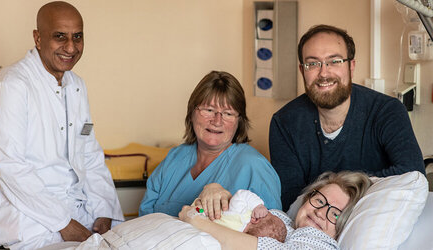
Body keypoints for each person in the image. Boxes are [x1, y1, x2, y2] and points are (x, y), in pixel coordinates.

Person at [0, 2, 123, 249]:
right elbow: (11, 168)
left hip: (77, 216)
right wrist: (64, 223)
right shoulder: (12, 86)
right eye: (59, 37)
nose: (71, 47)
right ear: (38, 38)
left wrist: (104, 210)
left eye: (77, 37)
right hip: (29, 222)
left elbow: (89, 155)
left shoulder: (77, 85)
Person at [268, 24, 425, 210]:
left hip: (372, 218)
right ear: (303, 71)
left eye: (334, 61)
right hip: (313, 228)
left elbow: (413, 175)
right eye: (313, 64)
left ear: (351, 66)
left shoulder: (387, 111)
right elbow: (291, 199)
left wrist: (331, 194)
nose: (324, 73)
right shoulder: (285, 123)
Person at [139, 70, 282, 217]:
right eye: (209, 110)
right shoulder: (174, 158)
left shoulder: (254, 167)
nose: (217, 121)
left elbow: (273, 232)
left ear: (239, 121)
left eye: (228, 113)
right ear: (192, 113)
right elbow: (144, 219)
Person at [179, 171, 372, 250]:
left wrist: (196, 221)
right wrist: (214, 191)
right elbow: (236, 216)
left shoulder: (323, 244)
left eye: (335, 213)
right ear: (307, 198)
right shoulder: (281, 218)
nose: (321, 212)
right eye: (319, 200)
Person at [195, 189, 286, 242]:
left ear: (255, 219)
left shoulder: (241, 214)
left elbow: (241, 194)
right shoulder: (236, 238)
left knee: (199, 208)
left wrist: (258, 205)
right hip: (202, 221)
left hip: (205, 211)